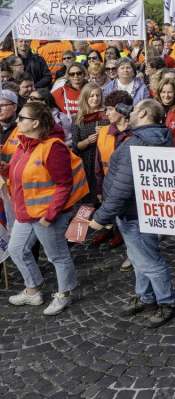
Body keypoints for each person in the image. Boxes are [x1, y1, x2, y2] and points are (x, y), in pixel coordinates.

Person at [89, 99, 175, 327]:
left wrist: (101, 218)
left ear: (144, 113)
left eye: (135, 109)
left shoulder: (135, 146)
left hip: (133, 212)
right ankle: (146, 296)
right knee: (140, 258)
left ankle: (167, 302)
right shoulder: (160, 135)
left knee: (149, 260)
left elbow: (121, 188)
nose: (129, 112)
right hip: (143, 209)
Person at [5, 100, 87, 315]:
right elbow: (18, 175)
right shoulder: (22, 144)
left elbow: (64, 184)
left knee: (57, 255)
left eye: (22, 118)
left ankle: (64, 294)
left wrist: (51, 215)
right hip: (28, 213)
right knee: (16, 250)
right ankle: (33, 291)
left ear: (35, 123)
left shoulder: (53, 148)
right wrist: (5, 169)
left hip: (47, 215)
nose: (17, 120)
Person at [70, 82, 108, 207]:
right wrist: (87, 141)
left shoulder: (106, 115)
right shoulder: (79, 118)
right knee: (86, 200)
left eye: (98, 95)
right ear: (85, 97)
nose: (95, 99)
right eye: (91, 96)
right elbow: (76, 145)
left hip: (103, 160)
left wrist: (104, 132)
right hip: (86, 162)